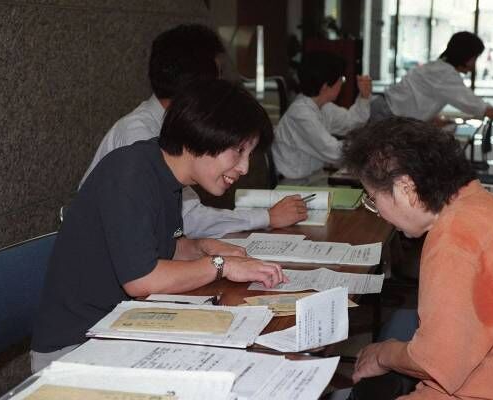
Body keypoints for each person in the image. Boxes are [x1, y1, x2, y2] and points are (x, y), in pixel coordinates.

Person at [31, 79, 288, 372]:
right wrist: (221, 264)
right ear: (201, 134)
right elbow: (142, 280)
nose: (244, 168)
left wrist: (201, 247)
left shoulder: (166, 174)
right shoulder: (131, 172)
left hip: (122, 329)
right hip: (77, 346)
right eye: (238, 151)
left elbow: (160, 247)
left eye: (249, 155)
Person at [341, 117, 493, 399]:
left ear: (406, 190)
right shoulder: (477, 204)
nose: (377, 211)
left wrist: (383, 354)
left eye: (373, 199)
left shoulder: (454, 242)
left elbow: (435, 364)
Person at [80, 24, 307, 237]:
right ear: (196, 86)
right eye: (217, 75)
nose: (220, 86)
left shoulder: (171, 131)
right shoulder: (139, 138)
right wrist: (266, 217)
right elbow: (187, 218)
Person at [370, 32, 493, 130]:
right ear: (466, 56)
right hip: (386, 117)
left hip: (384, 111)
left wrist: (432, 117)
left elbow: (418, 96)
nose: (474, 63)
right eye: (475, 57)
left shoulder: (438, 67)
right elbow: (476, 105)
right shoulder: (445, 75)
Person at [271, 51, 372, 184]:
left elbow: (352, 121)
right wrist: (369, 148)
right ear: (325, 86)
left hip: (312, 178)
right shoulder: (301, 114)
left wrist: (364, 96)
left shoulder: (323, 107)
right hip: (292, 184)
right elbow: (333, 151)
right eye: (341, 80)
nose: (342, 84)